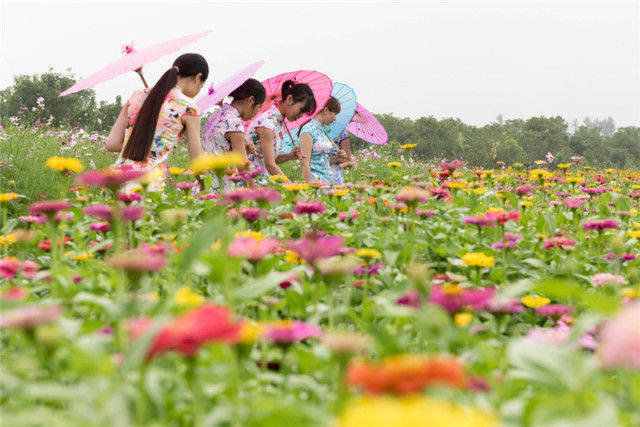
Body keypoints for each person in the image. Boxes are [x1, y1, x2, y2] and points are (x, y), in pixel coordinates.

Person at [105, 53, 208, 191]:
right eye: (201, 86)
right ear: (198, 78)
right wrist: (203, 188)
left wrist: (146, 143)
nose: (198, 91)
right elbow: (197, 163)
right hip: (148, 187)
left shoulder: (136, 96)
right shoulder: (189, 107)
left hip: (116, 182)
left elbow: (111, 144)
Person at [201, 78, 266, 190]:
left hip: (205, 185)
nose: (256, 114)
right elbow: (242, 167)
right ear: (251, 100)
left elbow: (218, 150)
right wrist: (255, 193)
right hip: (222, 188)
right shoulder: (234, 123)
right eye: (259, 107)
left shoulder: (214, 116)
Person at [245, 80, 316, 180]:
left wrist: (290, 156)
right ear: (290, 99)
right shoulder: (267, 123)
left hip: (262, 179)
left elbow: (270, 159)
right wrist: (291, 187)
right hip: (250, 180)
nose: (301, 116)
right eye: (301, 110)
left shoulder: (280, 123)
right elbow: (269, 164)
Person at [299, 96, 343, 184]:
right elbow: (305, 163)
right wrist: (309, 187)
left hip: (326, 181)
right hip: (314, 182)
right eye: (335, 114)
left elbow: (324, 162)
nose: (335, 119)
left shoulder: (323, 131)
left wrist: (337, 158)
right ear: (326, 110)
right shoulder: (308, 130)